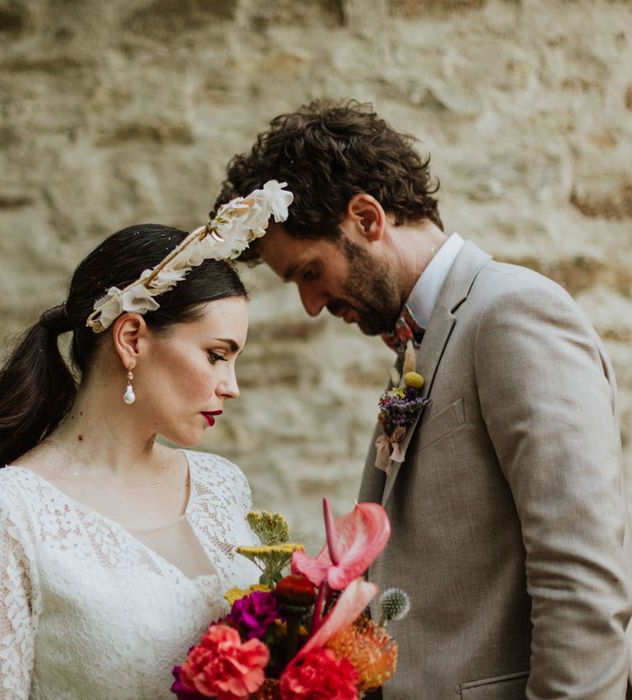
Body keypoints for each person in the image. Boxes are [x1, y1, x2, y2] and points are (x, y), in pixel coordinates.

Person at [214, 100, 632, 699]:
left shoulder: (512, 314)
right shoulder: (421, 342)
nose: (310, 304)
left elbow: (582, 578)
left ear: (366, 217)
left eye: (309, 271)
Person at [0, 181, 293, 699]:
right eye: (216, 355)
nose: (231, 387)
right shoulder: (3, 516)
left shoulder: (221, 486)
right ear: (132, 338)